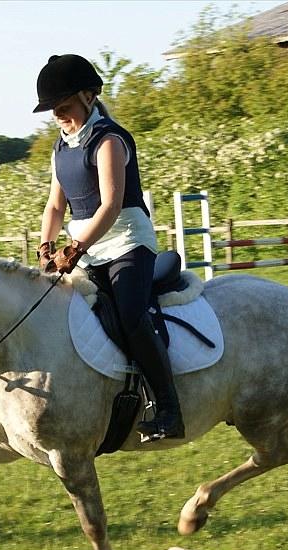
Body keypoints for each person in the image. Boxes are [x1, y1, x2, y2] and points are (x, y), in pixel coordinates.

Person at [33, 53, 184, 443]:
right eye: (53, 109)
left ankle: (169, 409)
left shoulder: (109, 140)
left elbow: (111, 205)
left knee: (130, 316)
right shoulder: (61, 148)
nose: (58, 115)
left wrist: (75, 249)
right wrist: (47, 245)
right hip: (85, 248)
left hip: (126, 244)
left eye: (63, 106)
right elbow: (55, 205)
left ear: (88, 96)